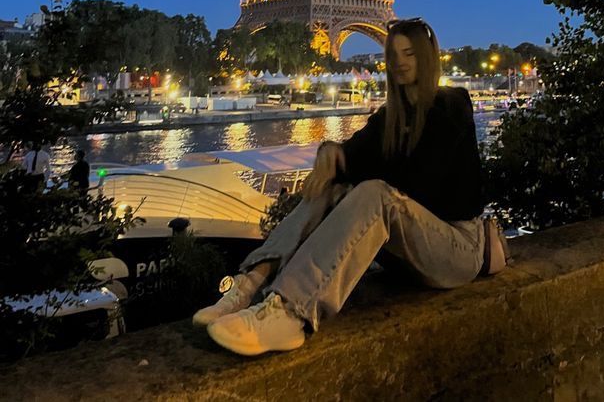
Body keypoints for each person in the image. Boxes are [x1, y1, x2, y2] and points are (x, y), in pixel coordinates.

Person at [194, 18, 488, 357]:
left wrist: (354, 170)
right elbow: (350, 156)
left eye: (410, 53)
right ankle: (251, 285)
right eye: (393, 54)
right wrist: (330, 154)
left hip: (457, 249)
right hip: (411, 251)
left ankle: (292, 312)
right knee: (331, 187)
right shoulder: (390, 117)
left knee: (372, 192)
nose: (400, 62)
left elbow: (421, 185)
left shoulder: (451, 105)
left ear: (427, 57)